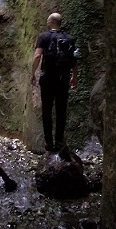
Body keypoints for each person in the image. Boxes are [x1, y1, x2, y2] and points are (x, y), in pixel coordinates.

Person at [31, 12, 77, 152]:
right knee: (61, 110)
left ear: (50, 22)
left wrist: (33, 73)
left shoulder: (43, 37)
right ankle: (59, 142)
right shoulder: (70, 38)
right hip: (63, 79)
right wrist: (74, 76)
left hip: (47, 79)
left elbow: (38, 55)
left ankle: (49, 144)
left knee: (47, 110)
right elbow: (74, 59)